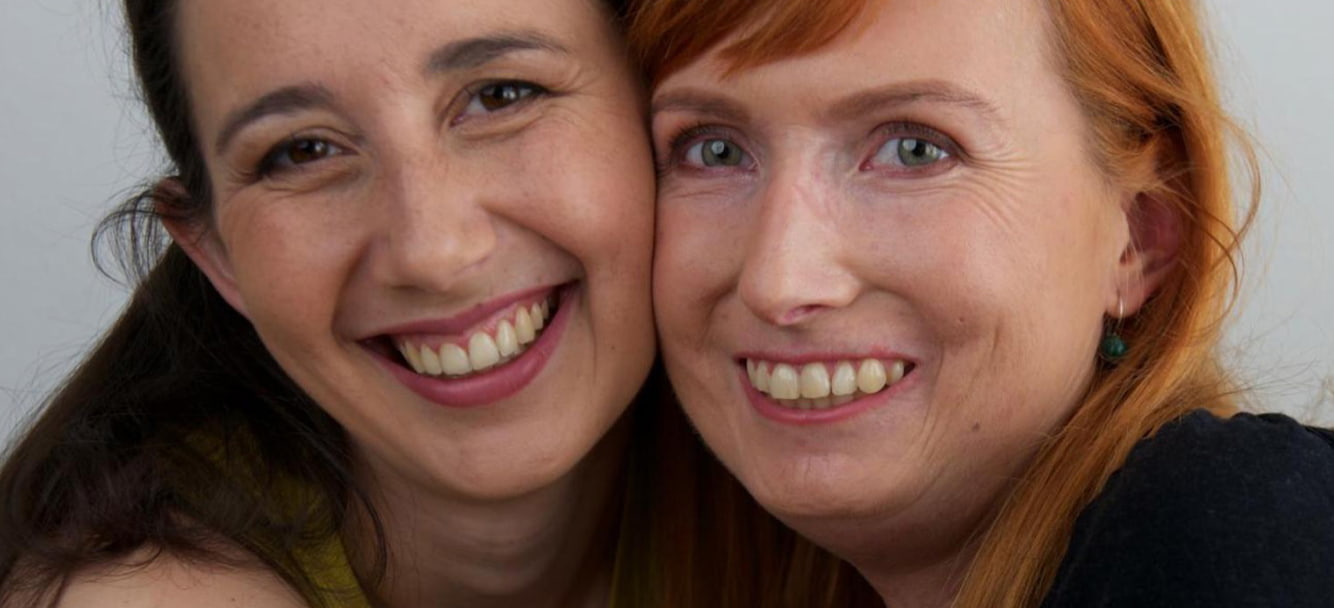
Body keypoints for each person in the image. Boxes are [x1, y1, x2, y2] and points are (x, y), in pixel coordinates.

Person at [0, 0, 870, 606]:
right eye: (303, 152)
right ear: (216, 252)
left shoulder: (818, 465)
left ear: (661, 114)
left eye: (500, 96)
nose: (434, 252)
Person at [630, 0, 1334, 606]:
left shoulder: (1227, 529)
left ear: (1140, 237)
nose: (780, 281)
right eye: (714, 151)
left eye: (915, 149)